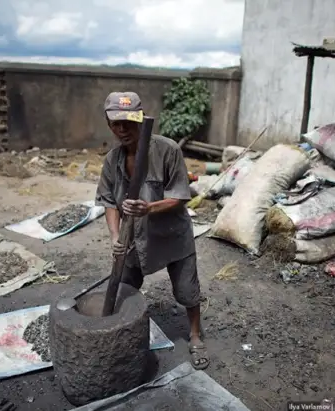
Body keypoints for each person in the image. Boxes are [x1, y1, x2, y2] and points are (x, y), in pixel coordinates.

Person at [95, 91, 209, 370]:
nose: (123, 129)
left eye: (129, 122)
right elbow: (109, 201)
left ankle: (195, 335)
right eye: (116, 124)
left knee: (186, 291)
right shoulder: (112, 160)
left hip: (172, 236)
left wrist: (150, 208)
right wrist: (114, 237)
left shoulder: (167, 149)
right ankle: (119, 333)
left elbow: (181, 196)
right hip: (134, 239)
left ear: (141, 120)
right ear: (109, 125)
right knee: (124, 287)